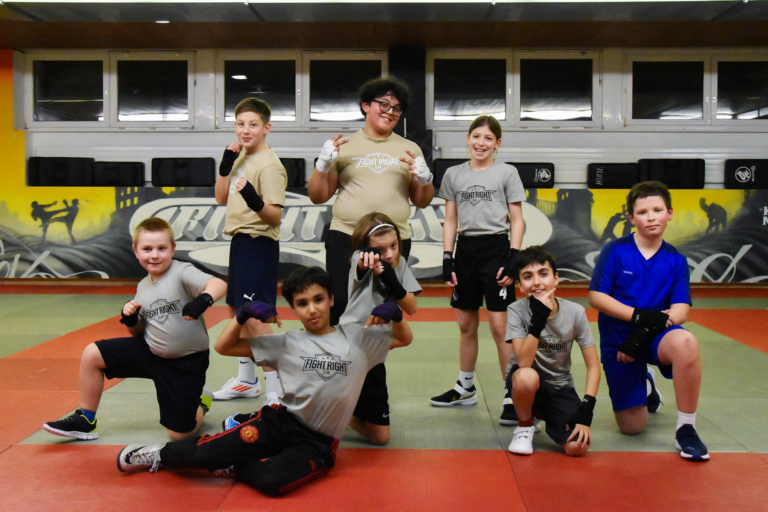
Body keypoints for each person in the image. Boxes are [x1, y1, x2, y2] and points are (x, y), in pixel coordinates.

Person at [116, 267, 413, 496]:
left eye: (319, 300)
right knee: (207, 452)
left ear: (331, 299)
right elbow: (223, 347)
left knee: (272, 481)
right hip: (281, 423)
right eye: (302, 303)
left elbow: (404, 339)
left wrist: (397, 316)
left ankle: (234, 462)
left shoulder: (358, 341)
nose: (312, 309)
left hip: (317, 444)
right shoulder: (286, 342)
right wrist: (242, 316)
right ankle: (158, 455)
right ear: (293, 309)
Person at [43, 218, 227, 441]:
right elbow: (139, 333)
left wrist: (202, 301)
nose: (154, 255)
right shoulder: (143, 286)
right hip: (150, 353)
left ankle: (201, 404)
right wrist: (131, 320)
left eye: (161, 248)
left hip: (185, 363)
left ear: (173, 249)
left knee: (179, 435)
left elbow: (219, 284)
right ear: (136, 252)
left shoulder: (181, 272)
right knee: (92, 354)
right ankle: (86, 420)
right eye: (147, 249)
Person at [589, 181, 709, 461]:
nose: (651, 217)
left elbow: (681, 311)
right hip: (619, 342)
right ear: (631, 218)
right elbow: (596, 297)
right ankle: (647, 384)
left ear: (670, 213)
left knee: (687, 342)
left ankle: (686, 429)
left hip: (656, 337)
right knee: (632, 427)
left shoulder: (676, 260)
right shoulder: (615, 250)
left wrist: (642, 333)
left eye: (657, 210)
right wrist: (638, 317)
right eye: (643, 212)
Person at [307, 76, 434, 326]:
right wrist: (322, 165)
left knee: (384, 308)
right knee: (340, 303)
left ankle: (375, 353)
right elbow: (318, 196)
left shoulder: (410, 149)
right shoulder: (344, 146)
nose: (390, 112)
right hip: (346, 236)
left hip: (392, 241)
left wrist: (425, 178)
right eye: (384, 104)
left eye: (396, 108)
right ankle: (341, 352)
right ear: (366, 105)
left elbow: (422, 201)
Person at [430, 115, 525, 424]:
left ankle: (512, 395)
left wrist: (513, 258)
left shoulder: (507, 172)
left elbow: (517, 219)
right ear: (468, 138)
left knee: (500, 327)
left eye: (488, 138)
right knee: (466, 324)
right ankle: (465, 388)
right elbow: (451, 220)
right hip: (466, 252)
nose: (481, 143)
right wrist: (447, 257)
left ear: (498, 143)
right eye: (476, 136)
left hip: (496, 250)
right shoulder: (454, 174)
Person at [212, 97, 287, 405]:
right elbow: (220, 198)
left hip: (259, 244)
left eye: (253, 124)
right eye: (240, 124)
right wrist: (225, 167)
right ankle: (246, 381)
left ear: (266, 128)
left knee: (256, 318)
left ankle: (277, 393)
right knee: (237, 312)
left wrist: (253, 198)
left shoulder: (270, 165)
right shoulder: (241, 158)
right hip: (240, 242)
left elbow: (274, 216)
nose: (246, 130)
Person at [505, 247, 600, 456]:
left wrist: (586, 409)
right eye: (528, 277)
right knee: (526, 376)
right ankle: (524, 425)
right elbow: (523, 363)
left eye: (543, 274)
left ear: (556, 279)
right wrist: (538, 318)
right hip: (526, 383)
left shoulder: (575, 312)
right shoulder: (516, 310)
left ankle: (545, 414)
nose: (536, 282)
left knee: (577, 448)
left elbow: (593, 366)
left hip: (560, 387)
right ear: (520, 286)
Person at [338, 212, 421, 445]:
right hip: (352, 344)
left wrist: (392, 279)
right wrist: (370, 257)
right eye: (381, 250)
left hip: (377, 348)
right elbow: (361, 262)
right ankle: (333, 409)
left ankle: (344, 413)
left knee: (381, 437)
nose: (390, 254)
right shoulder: (360, 258)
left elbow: (412, 307)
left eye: (394, 245)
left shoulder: (399, 263)